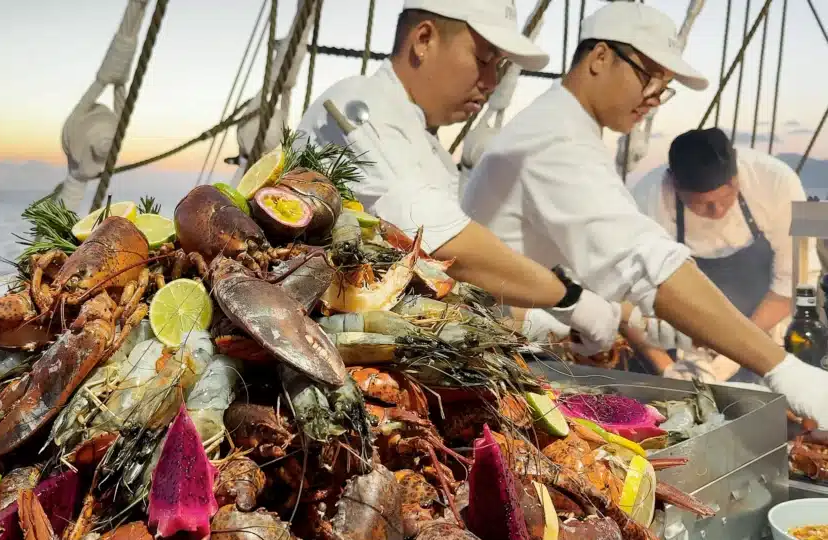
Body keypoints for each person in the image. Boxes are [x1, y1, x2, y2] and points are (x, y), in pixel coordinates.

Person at [461, 1, 828, 426]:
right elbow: (643, 267)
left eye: (664, 88)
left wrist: (761, 357)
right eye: (649, 79)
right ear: (599, 57)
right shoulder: (572, 148)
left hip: (757, 321)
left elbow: (798, 279)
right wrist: (772, 368)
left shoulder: (784, 181)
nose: (654, 100)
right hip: (488, 345)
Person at [295, 0, 624, 355]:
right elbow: (443, 245)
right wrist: (571, 300)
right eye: (484, 59)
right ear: (423, 39)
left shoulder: (428, 147)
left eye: (498, 66)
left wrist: (540, 326)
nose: (492, 82)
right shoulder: (360, 105)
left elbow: (440, 280)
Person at [630, 128, 811, 383]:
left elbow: (796, 280)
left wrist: (735, 352)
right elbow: (632, 297)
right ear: (674, 184)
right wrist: (667, 370)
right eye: (701, 204)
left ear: (737, 175)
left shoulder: (783, 180)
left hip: (764, 319)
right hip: (685, 329)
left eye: (727, 198)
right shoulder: (644, 197)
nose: (716, 211)